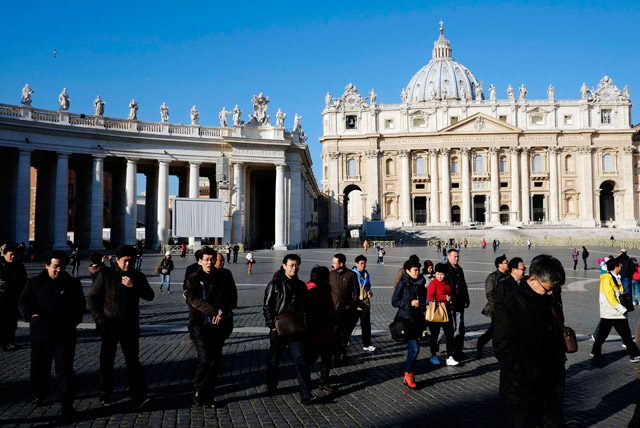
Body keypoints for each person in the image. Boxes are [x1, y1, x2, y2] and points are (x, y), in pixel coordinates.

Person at [493, 254, 568, 427]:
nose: (551, 292)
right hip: (521, 389)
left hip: (548, 385)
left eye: (554, 289)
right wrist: (525, 374)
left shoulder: (548, 299)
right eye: (548, 288)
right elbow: (504, 349)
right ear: (533, 279)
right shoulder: (509, 305)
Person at [18, 250, 86, 421]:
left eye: (62, 267)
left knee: (64, 370)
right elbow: (24, 302)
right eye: (55, 267)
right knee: (39, 367)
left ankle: (67, 403)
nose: (59, 270)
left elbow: (80, 305)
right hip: (41, 332)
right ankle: (39, 393)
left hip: (65, 333)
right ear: (47, 265)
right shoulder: (34, 283)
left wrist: (74, 321)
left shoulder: (72, 283)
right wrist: (31, 315)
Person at [87, 245, 155, 410]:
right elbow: (93, 298)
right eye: (125, 261)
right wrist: (99, 321)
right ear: (117, 259)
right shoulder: (105, 274)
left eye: (131, 261)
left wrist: (134, 286)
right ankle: (105, 391)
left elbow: (150, 296)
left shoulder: (137, 276)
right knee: (107, 360)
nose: (128, 264)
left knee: (133, 361)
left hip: (130, 325)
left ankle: (138, 395)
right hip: (109, 324)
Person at [185, 247, 237, 408]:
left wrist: (221, 309)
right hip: (199, 324)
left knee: (215, 361)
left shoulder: (225, 275)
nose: (210, 262)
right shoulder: (193, 278)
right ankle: (199, 390)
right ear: (199, 261)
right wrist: (213, 310)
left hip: (219, 324)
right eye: (206, 259)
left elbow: (232, 296)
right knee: (205, 358)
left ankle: (209, 394)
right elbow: (193, 300)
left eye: (212, 259)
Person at [263, 254, 314, 403]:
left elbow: (307, 307)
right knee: (274, 360)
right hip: (279, 329)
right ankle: (272, 386)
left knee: (301, 360)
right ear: (284, 266)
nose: (294, 268)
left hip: (297, 329)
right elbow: (267, 307)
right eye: (291, 265)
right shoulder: (274, 285)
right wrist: (272, 325)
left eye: (296, 265)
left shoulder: (301, 285)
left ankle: (306, 394)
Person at [590, 257, 640, 362]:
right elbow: (610, 296)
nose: (621, 267)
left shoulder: (616, 277)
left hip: (617, 313)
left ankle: (634, 354)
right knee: (602, 336)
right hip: (610, 312)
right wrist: (621, 308)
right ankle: (595, 351)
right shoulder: (606, 278)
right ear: (616, 267)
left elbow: (620, 293)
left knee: (626, 335)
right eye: (620, 265)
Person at [391, 259, 426, 388]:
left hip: (417, 320)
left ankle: (409, 374)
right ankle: (408, 374)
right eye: (415, 270)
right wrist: (409, 304)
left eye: (418, 270)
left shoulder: (420, 283)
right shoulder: (402, 284)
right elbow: (394, 302)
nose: (417, 272)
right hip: (406, 320)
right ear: (407, 271)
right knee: (414, 348)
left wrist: (422, 305)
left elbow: (423, 301)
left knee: (414, 349)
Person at [305, 266, 337, 393]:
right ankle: (307, 380)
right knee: (311, 357)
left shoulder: (325, 289)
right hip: (316, 329)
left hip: (326, 329)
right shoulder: (311, 290)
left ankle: (324, 381)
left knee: (327, 357)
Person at [329, 253, 360, 361]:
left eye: (334, 262)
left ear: (341, 264)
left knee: (344, 332)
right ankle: (336, 351)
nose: (332, 264)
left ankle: (342, 349)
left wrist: (353, 304)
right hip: (334, 308)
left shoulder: (351, 275)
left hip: (347, 308)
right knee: (335, 331)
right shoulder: (331, 275)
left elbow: (356, 291)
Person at [477, 255, 509, 357]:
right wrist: (495, 307)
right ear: (500, 265)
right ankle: (482, 341)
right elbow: (489, 294)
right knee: (495, 329)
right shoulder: (492, 277)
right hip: (497, 308)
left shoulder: (508, 276)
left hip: (508, 308)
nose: (508, 264)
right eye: (506, 262)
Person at [426, 263, 458, 366]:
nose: (440, 276)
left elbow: (452, 293)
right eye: (438, 274)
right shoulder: (433, 284)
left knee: (450, 335)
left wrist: (451, 297)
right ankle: (433, 356)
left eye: (442, 274)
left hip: (447, 312)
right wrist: (444, 297)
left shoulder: (448, 283)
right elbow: (430, 297)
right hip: (436, 312)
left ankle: (449, 356)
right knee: (434, 336)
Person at [0, 245, 27, 351]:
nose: (13, 257)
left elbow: (24, 281)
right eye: (11, 254)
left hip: (14, 298)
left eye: (15, 254)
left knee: (12, 322)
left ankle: (10, 342)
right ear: (4, 254)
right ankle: (3, 342)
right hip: (1, 297)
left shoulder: (20, 267)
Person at [445, 249, 470, 360]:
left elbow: (464, 285)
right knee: (449, 328)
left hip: (459, 302)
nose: (457, 258)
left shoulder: (459, 269)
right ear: (449, 257)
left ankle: (458, 351)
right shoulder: (446, 269)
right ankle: (435, 342)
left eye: (458, 256)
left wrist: (467, 298)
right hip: (450, 303)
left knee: (460, 327)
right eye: (455, 256)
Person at [352, 255, 375, 352]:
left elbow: (368, 286)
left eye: (364, 263)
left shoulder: (366, 274)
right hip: (355, 304)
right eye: (361, 263)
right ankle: (343, 342)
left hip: (365, 304)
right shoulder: (352, 274)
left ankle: (367, 344)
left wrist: (369, 292)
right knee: (350, 324)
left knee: (366, 325)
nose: (363, 265)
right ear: (356, 264)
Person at [183, 249, 203, 343]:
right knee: (193, 317)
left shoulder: (209, 267)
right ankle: (192, 335)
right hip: (193, 297)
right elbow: (186, 282)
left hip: (203, 297)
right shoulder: (191, 268)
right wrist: (185, 292)